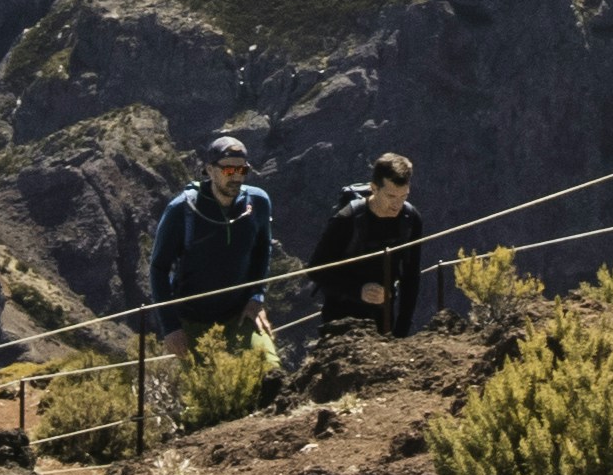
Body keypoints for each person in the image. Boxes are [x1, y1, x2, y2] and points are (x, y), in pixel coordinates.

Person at [144, 132, 281, 347]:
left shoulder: (258, 202)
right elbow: (159, 268)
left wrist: (257, 297)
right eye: (229, 170)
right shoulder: (182, 210)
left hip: (241, 315)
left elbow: (262, 249)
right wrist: (171, 328)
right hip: (193, 323)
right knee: (209, 381)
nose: (236, 177)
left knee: (271, 375)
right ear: (209, 170)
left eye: (242, 169)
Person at [309, 150, 430, 331]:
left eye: (404, 196)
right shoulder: (347, 219)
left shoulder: (410, 219)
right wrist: (358, 290)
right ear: (374, 188)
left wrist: (403, 327)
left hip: (384, 314)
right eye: (391, 196)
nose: (397, 204)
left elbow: (411, 275)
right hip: (341, 314)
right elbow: (316, 269)